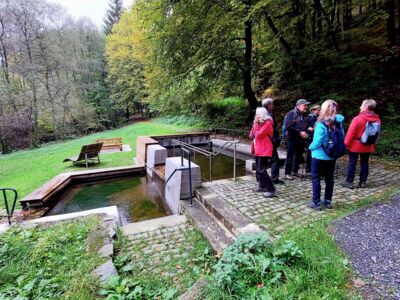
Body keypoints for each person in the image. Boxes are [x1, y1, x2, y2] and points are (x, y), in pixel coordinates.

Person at [308, 100, 344, 210]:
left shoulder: (320, 124)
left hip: (319, 155)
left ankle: (316, 202)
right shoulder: (339, 122)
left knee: (316, 178)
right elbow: (342, 137)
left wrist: (310, 147)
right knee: (329, 178)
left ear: (324, 109)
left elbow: (317, 142)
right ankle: (328, 201)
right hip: (332, 155)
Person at [343, 99, 381, 189]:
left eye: (362, 105)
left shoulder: (357, 118)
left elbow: (350, 133)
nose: (360, 107)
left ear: (365, 107)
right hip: (368, 144)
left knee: (352, 163)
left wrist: (345, 145)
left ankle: (349, 182)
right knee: (365, 163)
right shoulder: (377, 119)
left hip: (355, 145)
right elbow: (377, 133)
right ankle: (362, 182)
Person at [250, 107, 276, 198]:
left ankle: (271, 189)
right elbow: (251, 135)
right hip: (258, 148)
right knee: (258, 169)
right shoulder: (259, 123)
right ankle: (262, 186)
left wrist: (256, 124)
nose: (256, 115)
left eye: (257, 113)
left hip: (264, 149)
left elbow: (258, 135)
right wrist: (256, 123)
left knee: (261, 170)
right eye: (256, 114)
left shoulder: (268, 123)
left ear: (262, 114)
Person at [283, 99, 310, 180]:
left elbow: (307, 124)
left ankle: (294, 171)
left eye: (306, 105)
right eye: (304, 105)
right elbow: (288, 126)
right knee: (290, 156)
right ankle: (287, 173)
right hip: (291, 138)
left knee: (298, 156)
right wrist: (299, 133)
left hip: (301, 139)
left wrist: (308, 129)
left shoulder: (305, 114)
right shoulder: (291, 113)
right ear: (298, 106)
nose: (306, 107)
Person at [262, 98, 284, 184]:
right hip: (270, 140)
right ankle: (274, 179)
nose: (273, 106)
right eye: (272, 104)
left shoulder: (262, 114)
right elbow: (271, 129)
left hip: (267, 140)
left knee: (267, 160)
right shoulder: (268, 115)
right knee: (274, 160)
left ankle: (265, 179)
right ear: (268, 105)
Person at [305, 104, 321, 174]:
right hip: (310, 137)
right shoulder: (310, 117)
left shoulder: (316, 117)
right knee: (309, 153)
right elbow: (307, 127)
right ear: (313, 111)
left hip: (313, 137)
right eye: (318, 110)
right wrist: (311, 129)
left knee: (311, 153)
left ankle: (310, 168)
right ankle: (308, 168)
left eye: (319, 110)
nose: (319, 111)